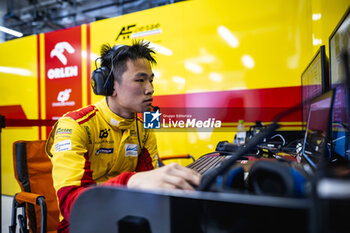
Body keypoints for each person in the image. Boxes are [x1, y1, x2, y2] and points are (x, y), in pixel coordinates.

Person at [45, 40, 201, 233]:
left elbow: (149, 185)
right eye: (140, 79)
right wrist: (130, 182)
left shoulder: (144, 128)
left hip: (129, 214)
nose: (150, 89)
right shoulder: (75, 125)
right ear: (109, 85)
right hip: (82, 224)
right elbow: (73, 205)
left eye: (151, 80)